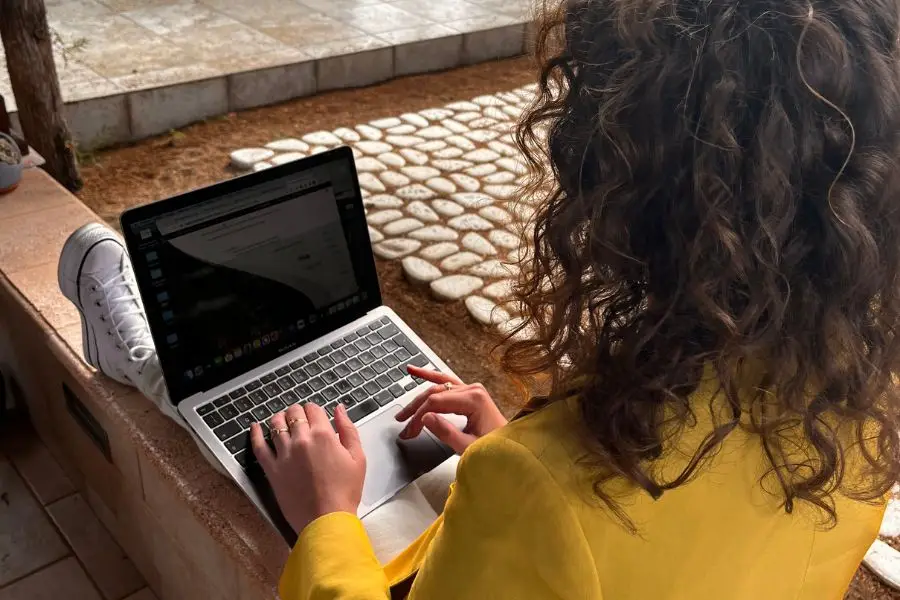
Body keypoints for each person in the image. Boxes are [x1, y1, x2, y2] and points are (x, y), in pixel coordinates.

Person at [58, 0, 900, 598]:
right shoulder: (863, 400)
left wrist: (326, 522)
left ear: (615, 187)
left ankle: (132, 347)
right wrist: (519, 450)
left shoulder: (535, 494)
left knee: (214, 399)